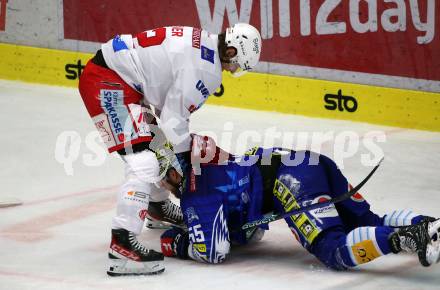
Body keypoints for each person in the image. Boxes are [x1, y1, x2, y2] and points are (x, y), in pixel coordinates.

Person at [78, 24, 263, 276]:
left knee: (159, 150)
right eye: (237, 64)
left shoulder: (203, 43)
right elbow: (174, 121)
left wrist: (174, 157)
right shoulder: (206, 70)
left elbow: (168, 116)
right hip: (109, 82)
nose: (234, 70)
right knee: (145, 162)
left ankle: (156, 207)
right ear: (230, 51)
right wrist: (185, 166)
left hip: (122, 79)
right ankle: (122, 245)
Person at [158, 141, 440, 270]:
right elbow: (248, 233)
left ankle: (405, 238)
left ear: (174, 171)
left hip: (291, 180)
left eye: (163, 178)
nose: (165, 186)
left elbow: (214, 252)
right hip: (310, 162)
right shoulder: (204, 156)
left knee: (334, 250)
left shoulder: (195, 195)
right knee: (369, 222)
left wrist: (175, 243)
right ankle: (427, 225)